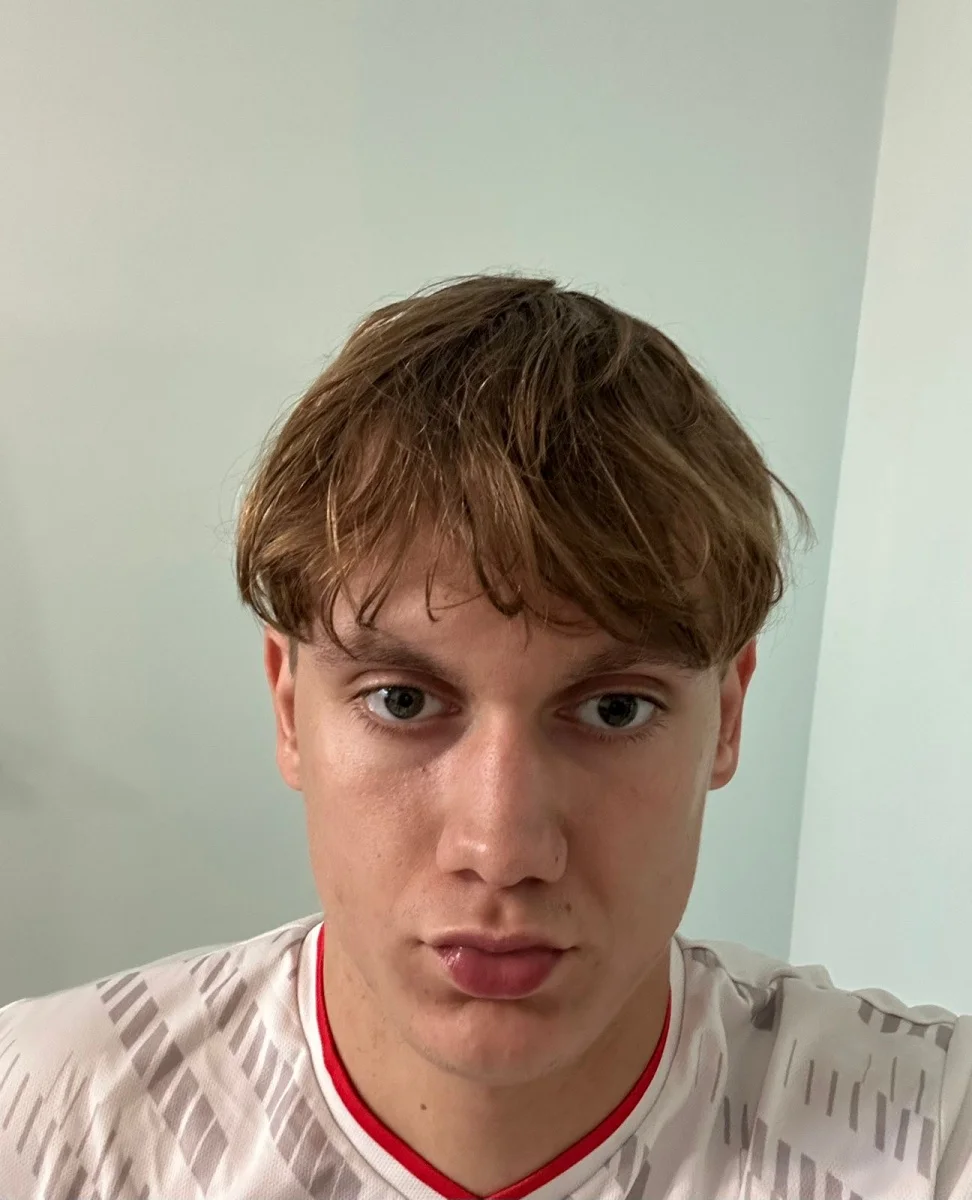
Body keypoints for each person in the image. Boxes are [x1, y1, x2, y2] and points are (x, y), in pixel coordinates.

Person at [0, 276, 969, 1200]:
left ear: (729, 718)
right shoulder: (37, 1115)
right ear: (290, 708)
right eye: (402, 701)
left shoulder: (933, 1136)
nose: (501, 851)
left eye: (615, 709)